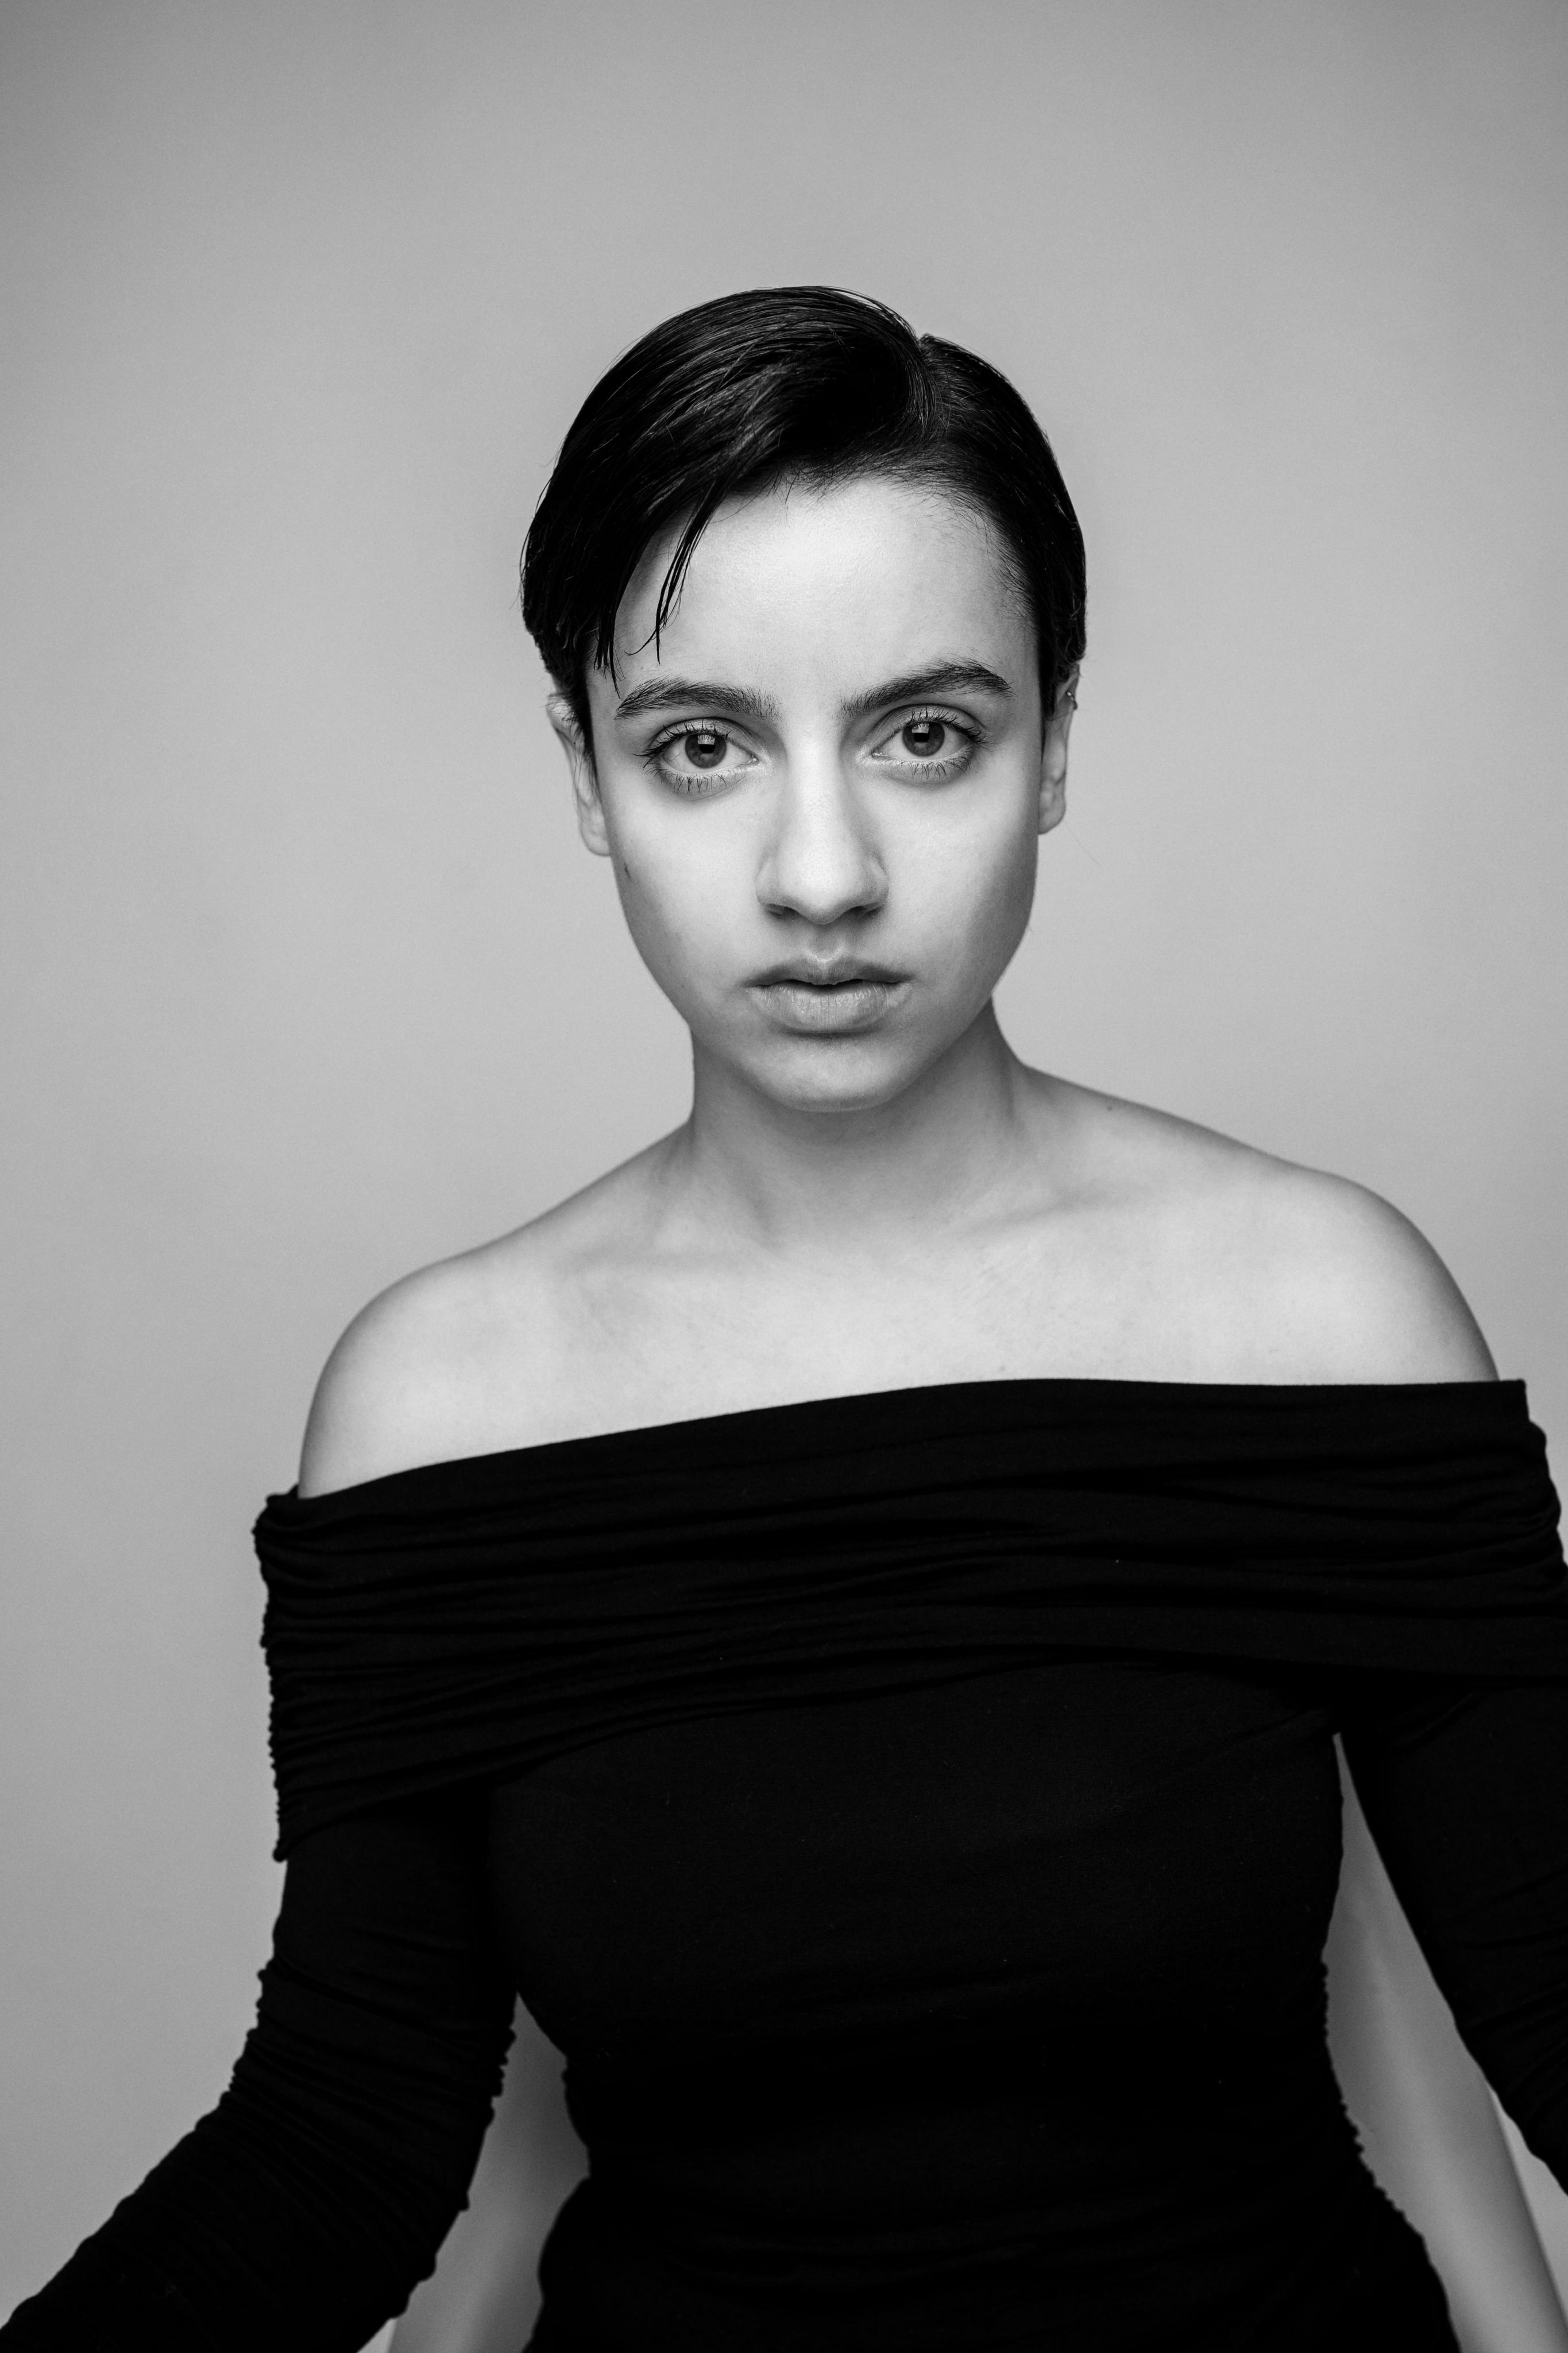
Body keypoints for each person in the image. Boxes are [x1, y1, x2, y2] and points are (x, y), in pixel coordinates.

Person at [6, 285, 1568, 2353]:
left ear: (1055, 744)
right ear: (585, 774)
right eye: (700, 747)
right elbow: (338, 2141)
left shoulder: (1318, 1313)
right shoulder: (442, 1403)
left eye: (926, 736)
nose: (819, 876)